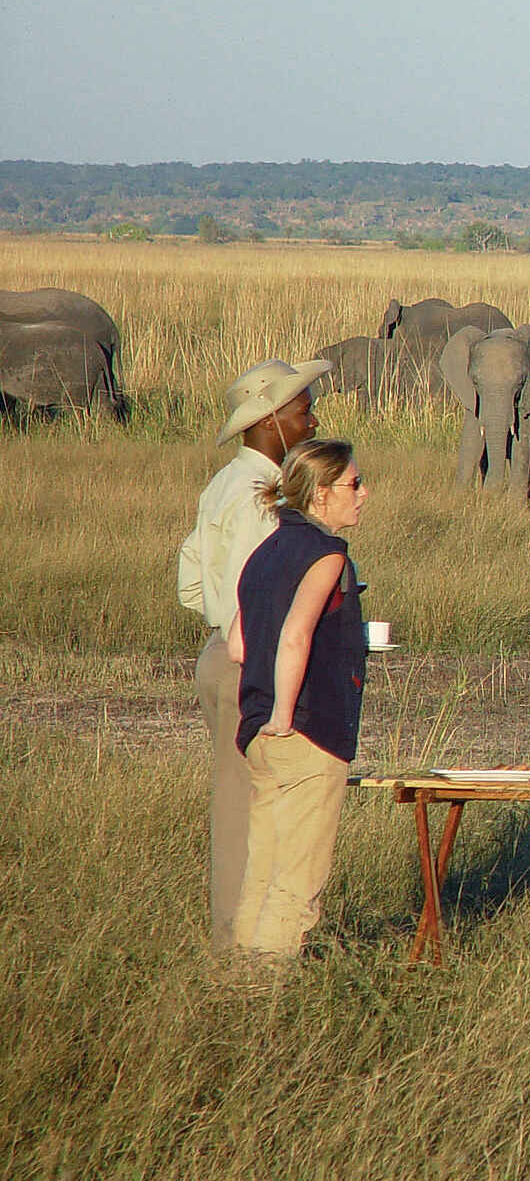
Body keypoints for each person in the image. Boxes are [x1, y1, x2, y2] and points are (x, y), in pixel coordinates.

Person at [177, 356, 330, 949]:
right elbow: (256, 590)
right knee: (256, 807)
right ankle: (247, 946)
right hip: (251, 660)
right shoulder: (261, 497)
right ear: (270, 420)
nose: (312, 421)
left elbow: (192, 584)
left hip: (222, 652)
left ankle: (241, 940)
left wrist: (223, 624)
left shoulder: (223, 484)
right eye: (303, 411)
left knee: (237, 798)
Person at [228, 438, 370, 959]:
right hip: (304, 732)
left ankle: (240, 978)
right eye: (354, 484)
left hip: (258, 732)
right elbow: (295, 636)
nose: (363, 493)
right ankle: (270, 989)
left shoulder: (264, 553)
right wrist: (286, 715)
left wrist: (269, 715)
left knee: (262, 871)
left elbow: (238, 645)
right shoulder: (327, 554)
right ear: (321, 494)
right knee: (295, 883)